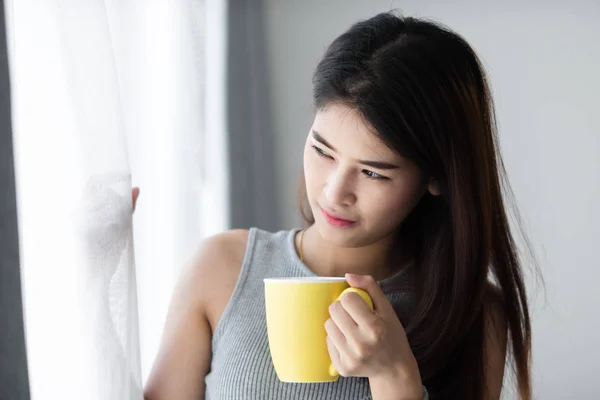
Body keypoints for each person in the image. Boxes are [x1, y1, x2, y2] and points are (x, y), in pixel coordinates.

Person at [141, 11, 536, 400]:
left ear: (436, 178)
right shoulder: (220, 268)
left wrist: (394, 376)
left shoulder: (472, 315)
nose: (334, 192)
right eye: (321, 150)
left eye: (373, 173)